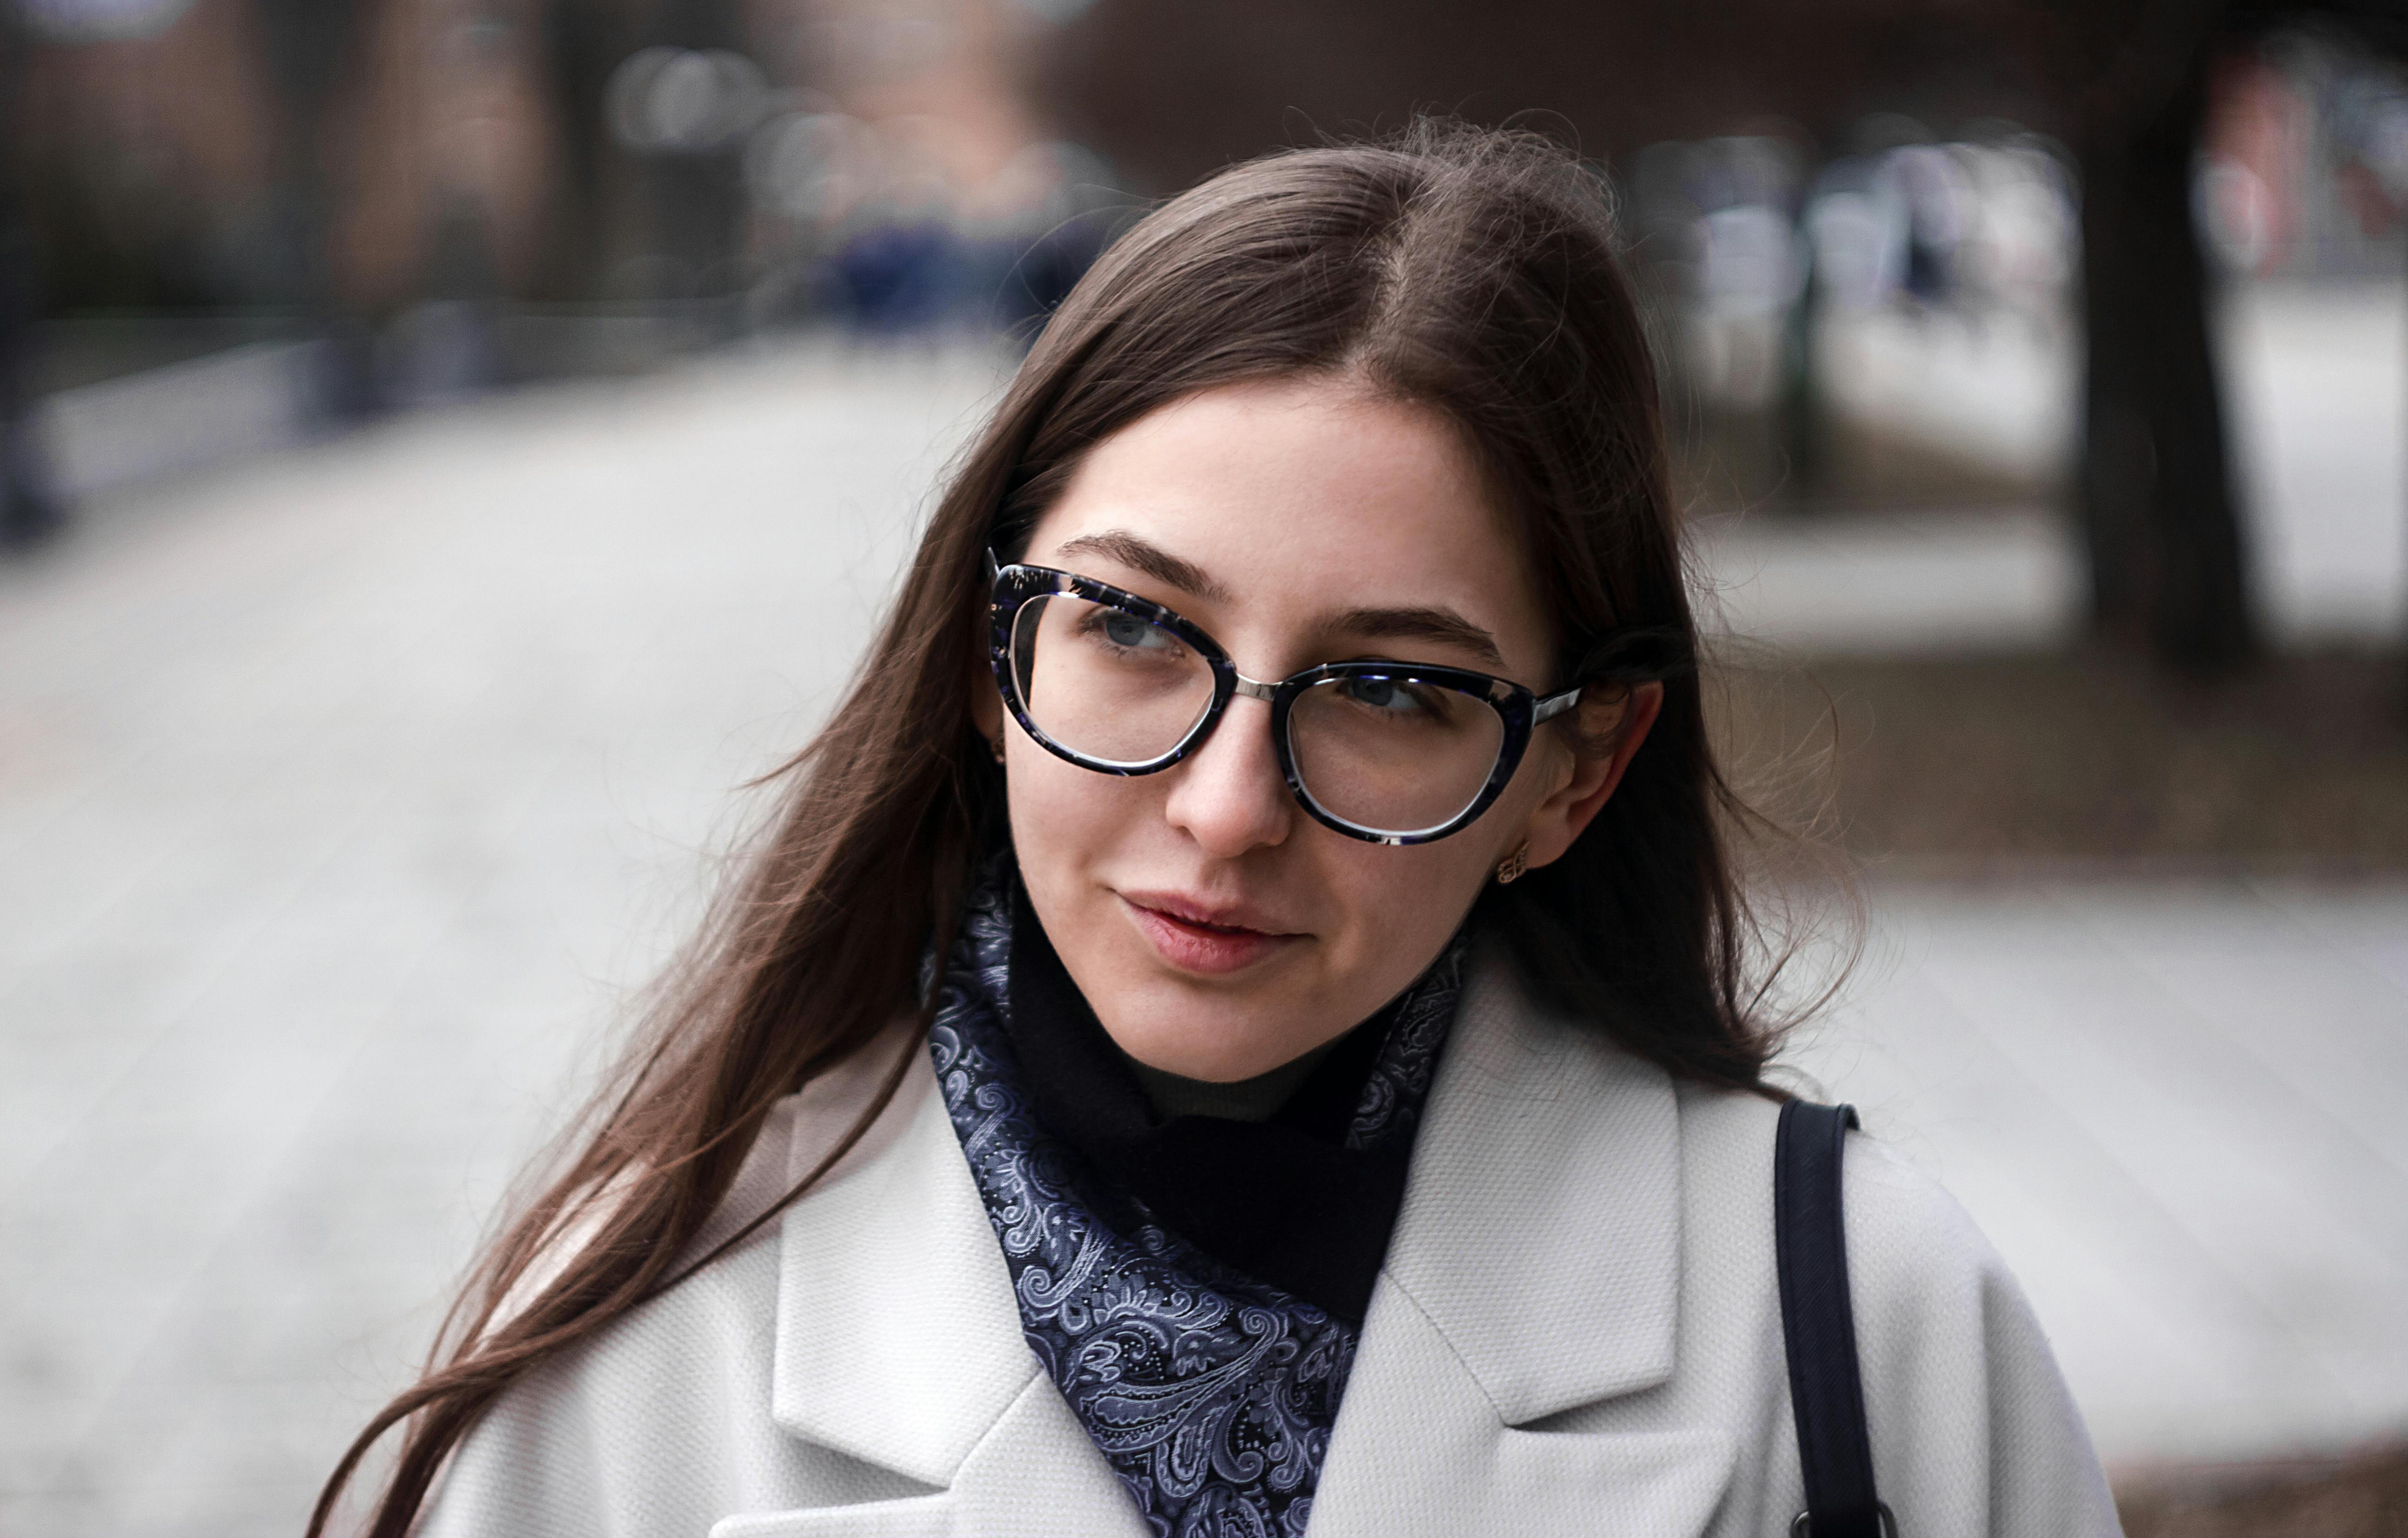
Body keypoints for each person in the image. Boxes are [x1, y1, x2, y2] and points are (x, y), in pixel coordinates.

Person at [314, 122, 2120, 1538]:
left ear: (1573, 775)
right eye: (1132, 628)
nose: (1227, 809)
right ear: (985, 656)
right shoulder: (635, 1348)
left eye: (1391, 690)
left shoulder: (1866, 1330)